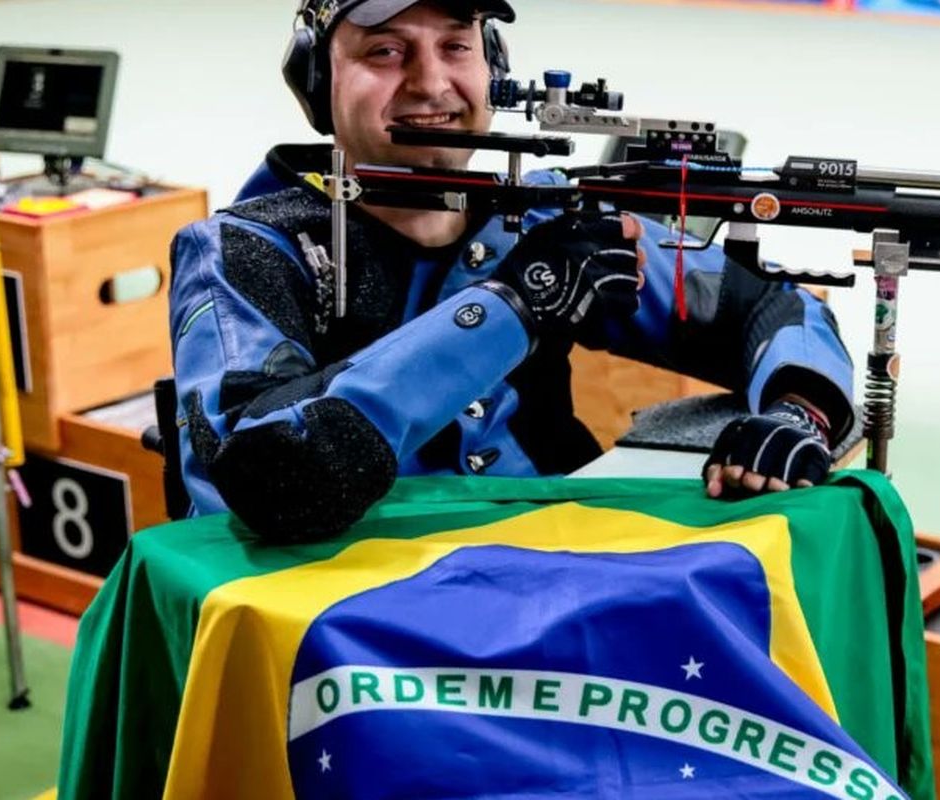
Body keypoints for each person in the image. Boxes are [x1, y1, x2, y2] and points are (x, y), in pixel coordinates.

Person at [168, 0, 855, 542]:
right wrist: (514, 306)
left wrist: (798, 413)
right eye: (385, 51)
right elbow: (270, 476)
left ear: (492, 67)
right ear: (318, 82)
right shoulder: (244, 252)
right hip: (351, 616)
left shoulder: (544, 216)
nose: (430, 83)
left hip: (551, 568)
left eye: (456, 46)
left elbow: (771, 307)